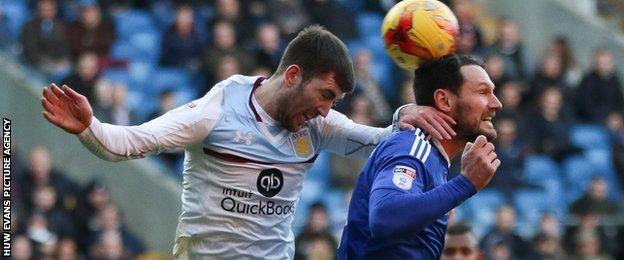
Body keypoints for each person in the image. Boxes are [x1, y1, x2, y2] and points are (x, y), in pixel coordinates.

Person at [41, 25, 456, 259]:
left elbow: (380, 143)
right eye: (326, 95)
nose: (327, 110)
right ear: (293, 75)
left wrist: (403, 116)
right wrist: (89, 126)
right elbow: (128, 142)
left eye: (336, 101)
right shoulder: (218, 109)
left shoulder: (318, 124)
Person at [338, 54, 503, 259]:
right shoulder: (412, 147)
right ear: (444, 100)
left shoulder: (432, 159)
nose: (496, 104)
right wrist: (465, 184)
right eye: (483, 92)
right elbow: (385, 216)